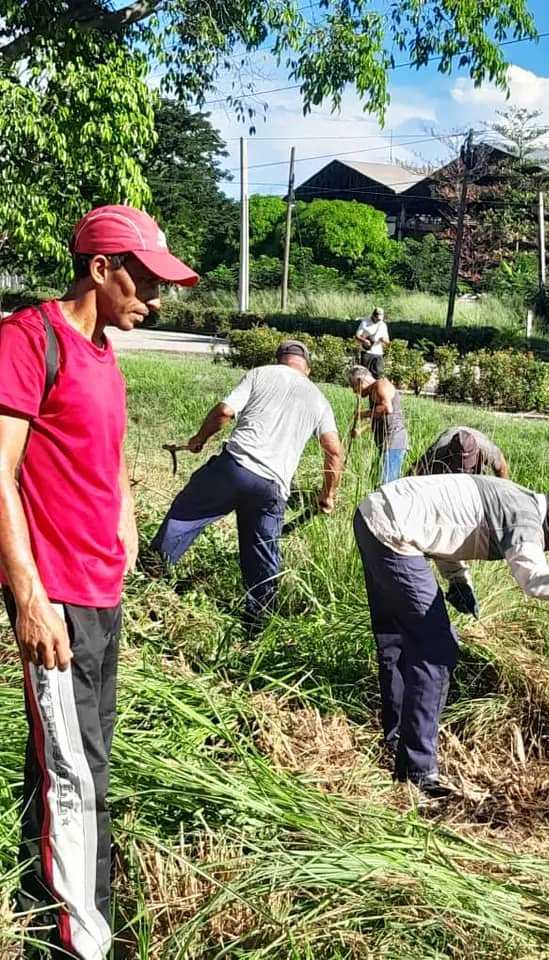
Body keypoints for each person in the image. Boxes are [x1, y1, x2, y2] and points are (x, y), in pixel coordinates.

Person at [0, 204, 198, 958]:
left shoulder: (103, 353)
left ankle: (40, 904)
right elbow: (0, 471)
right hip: (55, 596)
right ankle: (84, 940)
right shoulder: (30, 339)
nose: (156, 299)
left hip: (100, 590)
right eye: (146, 281)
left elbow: (107, 454)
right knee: (77, 774)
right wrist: (28, 594)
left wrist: (125, 519)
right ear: (101, 268)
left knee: (76, 759)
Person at [353, 475, 549, 798]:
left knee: (397, 639)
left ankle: (397, 742)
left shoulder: (514, 497)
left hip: (373, 516)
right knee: (437, 648)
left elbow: (442, 519)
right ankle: (416, 774)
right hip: (392, 533)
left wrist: (458, 580)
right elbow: (535, 581)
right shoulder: (525, 520)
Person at [150, 340, 343, 633]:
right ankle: (257, 628)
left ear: (280, 359)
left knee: (185, 515)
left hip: (234, 468)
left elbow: (225, 412)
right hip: (272, 488)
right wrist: (327, 495)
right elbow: (334, 451)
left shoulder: (261, 373)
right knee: (263, 555)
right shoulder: (319, 399)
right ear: (308, 369)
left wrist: (199, 439)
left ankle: (150, 577)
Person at [348, 364, 408, 484]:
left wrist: (362, 414)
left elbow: (387, 408)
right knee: (381, 482)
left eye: (354, 387)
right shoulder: (373, 391)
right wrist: (360, 430)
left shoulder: (380, 385)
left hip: (394, 442)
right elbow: (378, 417)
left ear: (360, 381)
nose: (355, 392)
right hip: (386, 444)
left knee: (386, 485)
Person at [411, 426, 509, 479]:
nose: (464, 469)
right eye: (461, 464)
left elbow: (501, 468)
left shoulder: (486, 449)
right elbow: (416, 469)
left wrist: (504, 490)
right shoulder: (438, 451)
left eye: (467, 464)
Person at [355, 307, 389, 378]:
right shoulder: (365, 322)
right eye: (377, 318)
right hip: (366, 352)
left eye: (380, 319)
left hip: (378, 353)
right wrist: (364, 340)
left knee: (378, 374)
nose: (379, 320)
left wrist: (383, 340)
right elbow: (357, 336)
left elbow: (387, 341)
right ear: (373, 315)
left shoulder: (383, 325)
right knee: (365, 375)